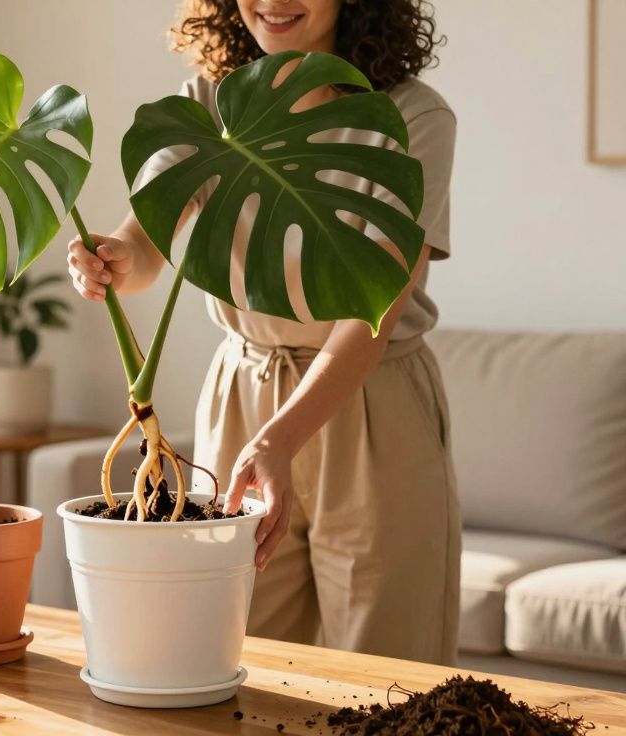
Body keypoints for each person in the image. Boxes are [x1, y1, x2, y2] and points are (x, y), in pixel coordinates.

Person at [66, 0, 459, 664]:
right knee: (237, 667)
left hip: (371, 409)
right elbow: (144, 248)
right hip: (241, 397)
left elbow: (374, 312)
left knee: (388, 682)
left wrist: (278, 440)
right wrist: (108, 260)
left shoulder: (411, 116)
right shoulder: (207, 106)